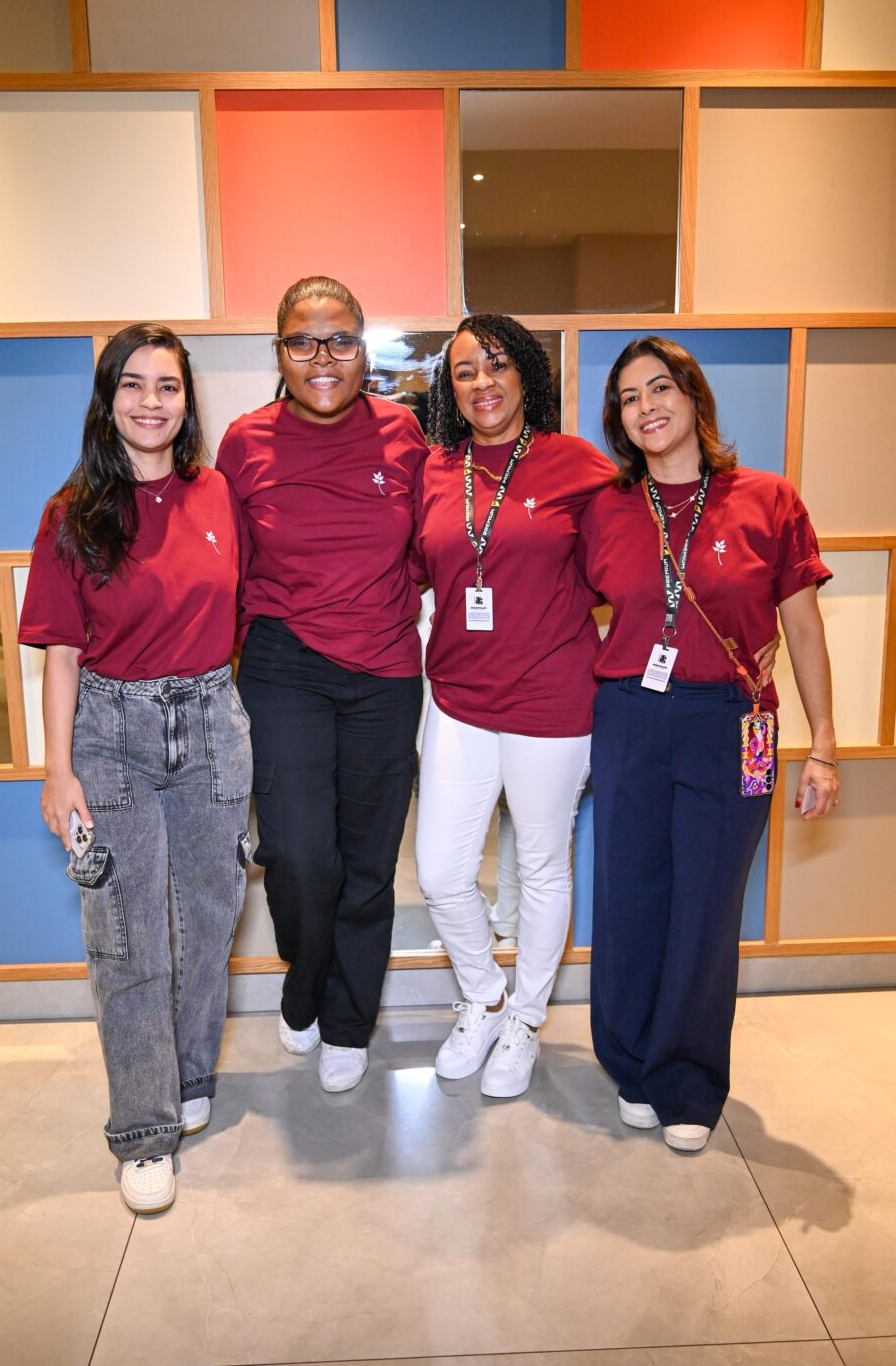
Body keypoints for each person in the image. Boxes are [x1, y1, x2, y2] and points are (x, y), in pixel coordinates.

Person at [583, 335, 839, 1153]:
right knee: (629, 896)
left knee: (707, 903)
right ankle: (628, 1061)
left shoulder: (767, 498)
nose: (646, 406)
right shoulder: (605, 508)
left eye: (660, 388)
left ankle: (686, 1078)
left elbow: (800, 625)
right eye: (628, 397)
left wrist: (824, 744)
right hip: (629, 715)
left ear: (693, 398)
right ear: (617, 420)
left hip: (741, 724)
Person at [19, 323, 251, 1214]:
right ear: (108, 398)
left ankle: (192, 1076)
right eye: (134, 385)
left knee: (206, 921)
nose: (151, 403)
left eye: (168, 386)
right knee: (125, 937)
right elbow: (62, 654)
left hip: (211, 722)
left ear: (187, 402)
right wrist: (57, 772)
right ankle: (142, 1131)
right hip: (110, 731)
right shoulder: (70, 511)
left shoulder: (219, 494)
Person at [216, 277, 427, 1094]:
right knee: (301, 856)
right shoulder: (246, 442)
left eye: (339, 340)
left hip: (382, 669)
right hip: (283, 664)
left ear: (363, 349)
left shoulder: (405, 433)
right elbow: (227, 565)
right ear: (279, 353)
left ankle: (347, 1019)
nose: (322, 358)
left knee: (368, 860)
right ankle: (302, 978)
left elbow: (429, 547)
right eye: (302, 342)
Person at [413, 313, 616, 1098]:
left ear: (525, 373)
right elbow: (408, 570)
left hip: (552, 699)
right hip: (460, 698)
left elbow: (629, 561)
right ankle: (484, 996)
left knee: (539, 868)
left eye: (496, 365)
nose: (482, 383)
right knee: (440, 871)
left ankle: (526, 1020)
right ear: (450, 388)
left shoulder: (576, 466)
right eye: (464, 371)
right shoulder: (436, 469)